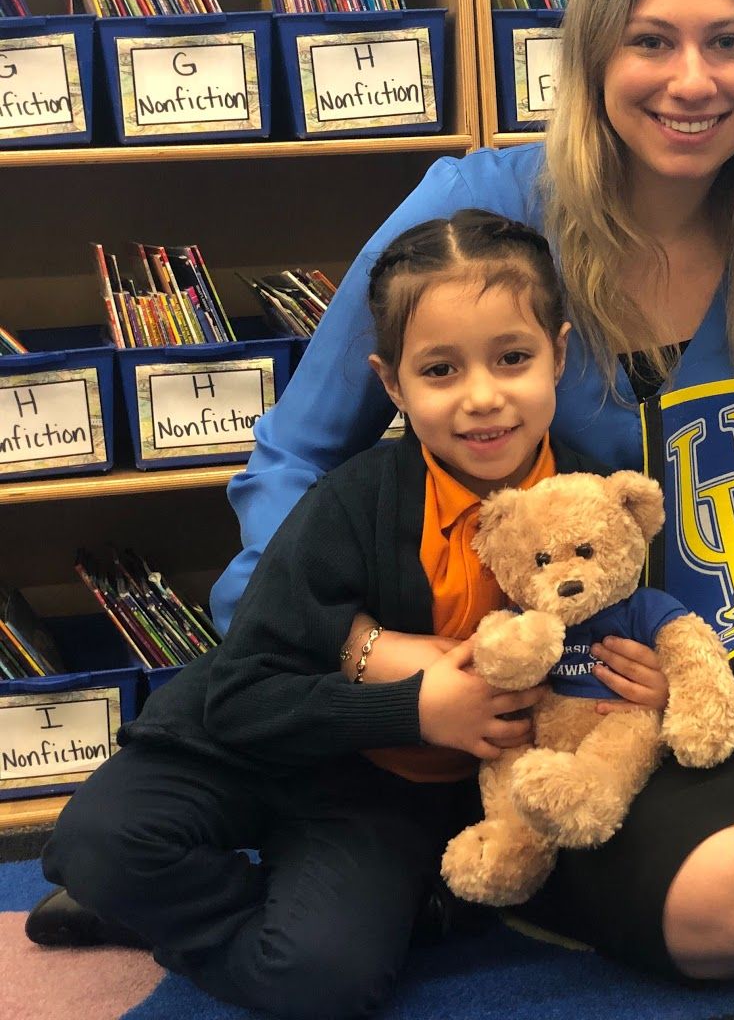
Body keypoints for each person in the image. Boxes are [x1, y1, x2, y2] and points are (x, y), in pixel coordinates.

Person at [40, 0, 734, 984]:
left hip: (727, 644)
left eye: (730, 43)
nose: (692, 80)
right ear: (592, 59)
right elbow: (294, 455)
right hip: (541, 685)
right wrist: (369, 651)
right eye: (650, 41)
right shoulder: (475, 212)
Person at [31, 211, 664, 1018]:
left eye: (513, 358)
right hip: (251, 742)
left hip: (379, 799)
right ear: (392, 384)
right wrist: (417, 707)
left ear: (559, 356)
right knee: (98, 843)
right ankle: (147, 897)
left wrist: (645, 680)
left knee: (322, 978)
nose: (482, 398)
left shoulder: (598, 508)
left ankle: (239, 908)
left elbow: (635, 635)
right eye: (440, 370)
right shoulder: (352, 503)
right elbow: (240, 691)